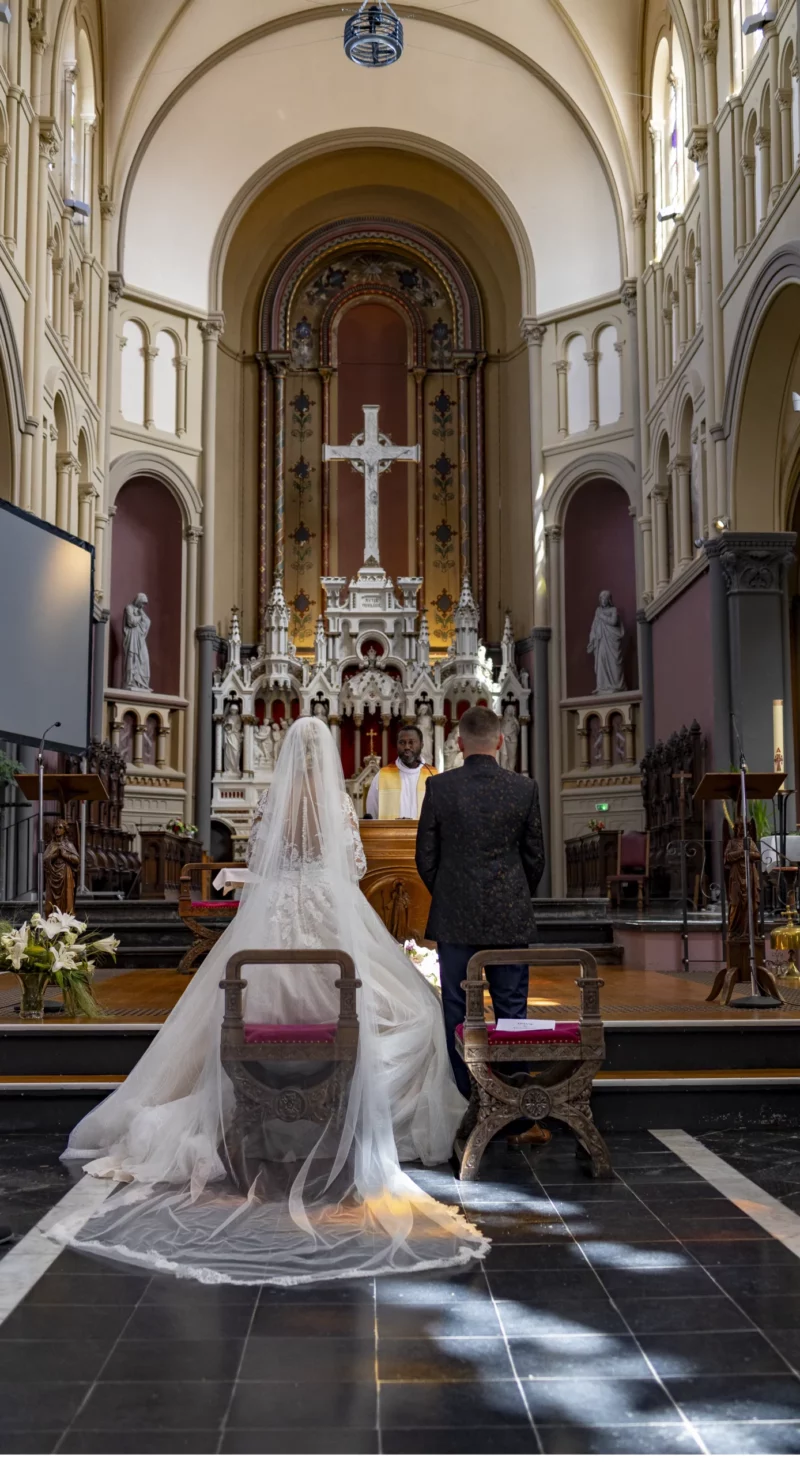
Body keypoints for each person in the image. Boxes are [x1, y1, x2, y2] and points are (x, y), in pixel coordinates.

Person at [51, 718, 485, 1285]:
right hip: (333, 909)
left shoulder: (272, 800)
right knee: (408, 1010)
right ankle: (337, 1115)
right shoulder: (336, 802)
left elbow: (260, 860)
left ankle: (256, 1108)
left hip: (275, 907)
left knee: (247, 996)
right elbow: (353, 868)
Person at [416, 704, 550, 1145]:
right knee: (513, 1010)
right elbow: (535, 858)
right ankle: (516, 1112)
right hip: (509, 916)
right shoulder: (523, 788)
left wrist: (452, 892)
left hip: (454, 917)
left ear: (458, 742)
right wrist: (510, 893)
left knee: (456, 1010)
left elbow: (426, 859)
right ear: (499, 740)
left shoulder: (439, 788)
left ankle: (465, 1103)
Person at [365, 723, 437, 820]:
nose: (407, 747)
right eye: (402, 742)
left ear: (421, 745)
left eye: (411, 742)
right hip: (390, 834)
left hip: (424, 835)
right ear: (397, 745)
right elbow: (371, 814)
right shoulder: (382, 776)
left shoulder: (434, 776)